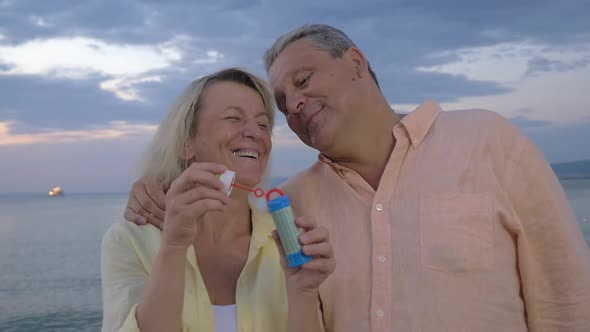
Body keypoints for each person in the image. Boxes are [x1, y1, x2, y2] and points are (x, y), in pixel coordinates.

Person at [124, 25, 590, 331]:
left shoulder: (490, 141)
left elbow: (568, 302)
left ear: (356, 63)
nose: (294, 104)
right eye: (283, 104)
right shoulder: (289, 205)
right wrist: (155, 188)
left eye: (303, 80)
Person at [101, 68, 333, 332]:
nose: (254, 133)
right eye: (234, 118)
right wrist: (174, 247)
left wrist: (302, 292)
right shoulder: (130, 241)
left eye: (262, 124)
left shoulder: (287, 243)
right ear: (186, 142)